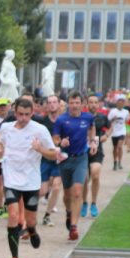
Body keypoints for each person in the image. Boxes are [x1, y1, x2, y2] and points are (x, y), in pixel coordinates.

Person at [0, 98, 57, 258]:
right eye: (20, 114)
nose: (23, 118)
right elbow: (2, 144)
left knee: (30, 220)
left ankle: (32, 230)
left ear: (32, 113)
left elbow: (53, 154)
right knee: (13, 215)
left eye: (27, 115)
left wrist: (39, 149)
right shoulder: (6, 128)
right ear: (14, 112)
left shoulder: (40, 130)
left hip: (30, 180)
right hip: (11, 178)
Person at [53, 91, 97, 241]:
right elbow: (55, 139)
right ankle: (69, 211)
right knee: (67, 195)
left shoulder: (88, 117)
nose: (74, 106)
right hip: (65, 159)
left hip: (81, 158)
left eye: (77, 103)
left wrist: (93, 142)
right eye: (71, 103)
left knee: (78, 192)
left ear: (82, 104)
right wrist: (61, 143)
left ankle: (73, 227)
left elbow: (92, 128)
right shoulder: (61, 119)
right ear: (68, 104)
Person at [81, 95, 110, 218]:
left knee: (95, 175)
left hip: (97, 150)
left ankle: (93, 203)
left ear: (98, 104)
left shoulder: (102, 117)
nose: (93, 104)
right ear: (87, 104)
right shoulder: (82, 117)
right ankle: (84, 203)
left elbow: (110, 127)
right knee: (84, 179)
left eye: (95, 102)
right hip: (83, 150)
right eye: (91, 102)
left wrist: (106, 135)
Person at [38, 95, 63, 225]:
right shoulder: (42, 122)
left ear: (59, 104)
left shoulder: (64, 121)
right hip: (45, 158)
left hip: (60, 158)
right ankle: (27, 211)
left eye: (54, 102)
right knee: (42, 191)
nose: (52, 104)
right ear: (46, 105)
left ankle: (47, 216)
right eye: (50, 102)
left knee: (56, 188)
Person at [108, 94, 129, 170]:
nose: (120, 104)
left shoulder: (126, 112)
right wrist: (113, 119)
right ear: (117, 103)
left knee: (120, 146)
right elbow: (108, 121)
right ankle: (115, 161)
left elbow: (127, 120)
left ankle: (120, 161)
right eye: (119, 103)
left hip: (122, 131)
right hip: (114, 131)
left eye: (122, 103)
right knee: (115, 147)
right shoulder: (113, 111)